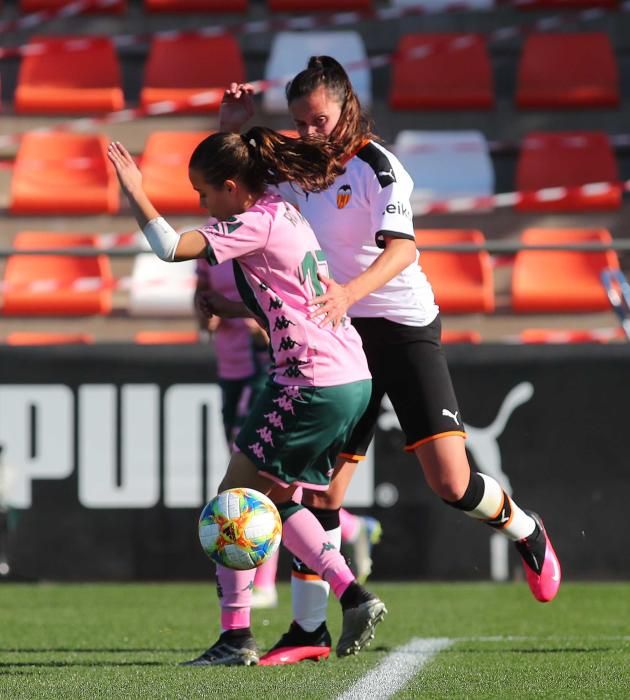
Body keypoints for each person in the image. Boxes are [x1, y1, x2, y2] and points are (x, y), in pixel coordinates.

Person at [220, 56, 562, 665]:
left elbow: (402, 252)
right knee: (318, 492)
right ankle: (308, 633)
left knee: (451, 483)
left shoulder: (379, 166)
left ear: (346, 107)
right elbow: (233, 188)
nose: (309, 133)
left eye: (319, 120)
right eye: (300, 123)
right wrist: (232, 123)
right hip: (343, 338)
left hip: (403, 330)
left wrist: (349, 293)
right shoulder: (297, 165)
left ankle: (524, 528)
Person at [107, 128, 387, 667]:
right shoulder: (282, 208)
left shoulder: (253, 221)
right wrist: (236, 310)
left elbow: (170, 247)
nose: (201, 205)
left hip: (308, 379)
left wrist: (135, 190)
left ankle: (236, 638)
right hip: (349, 375)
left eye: (205, 194)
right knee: (279, 500)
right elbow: (288, 296)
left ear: (233, 188)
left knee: (231, 504)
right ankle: (353, 595)